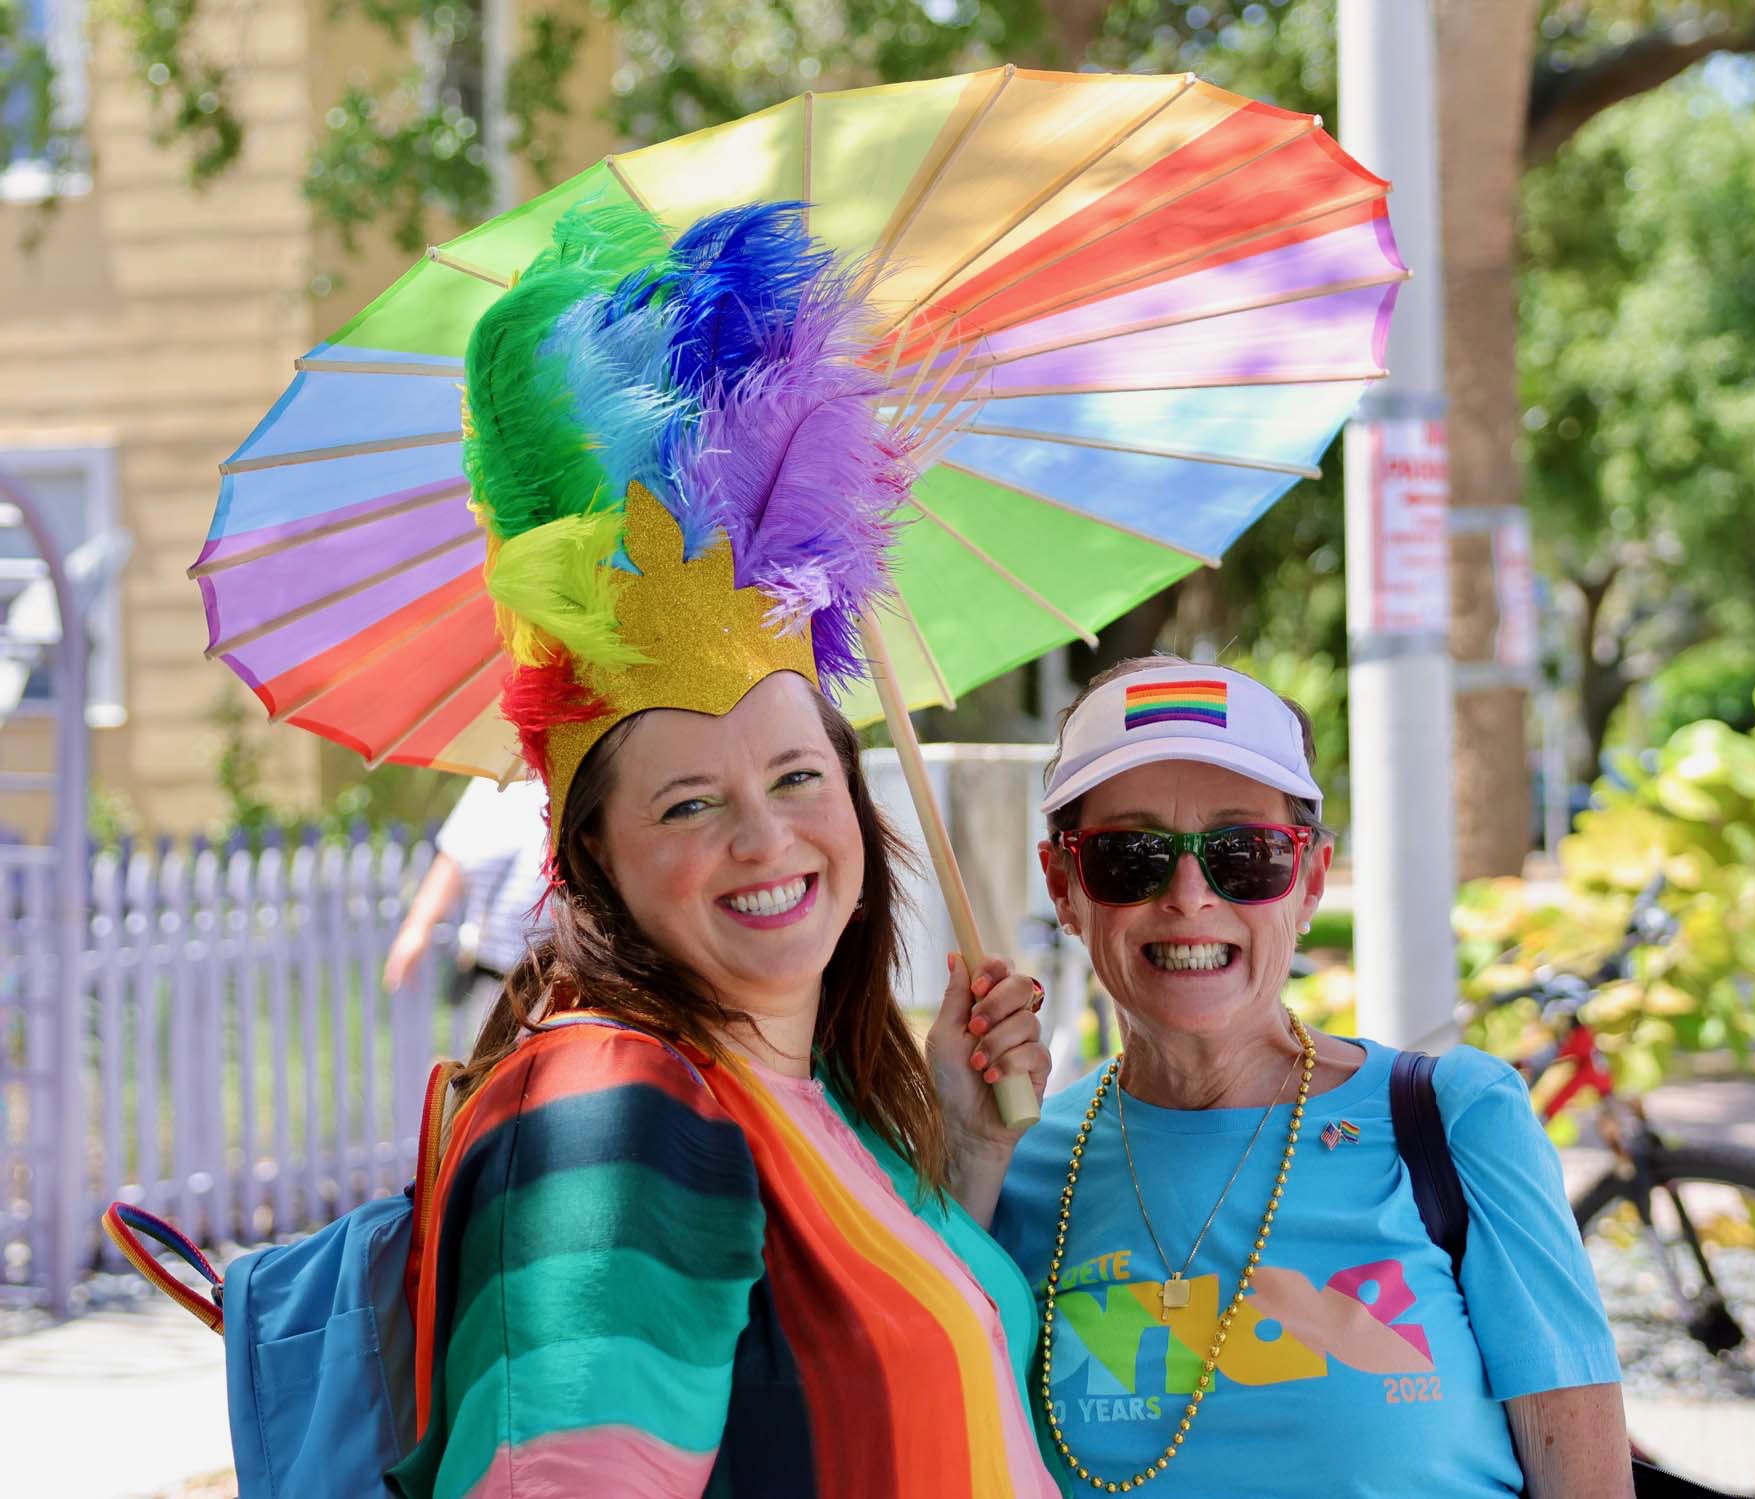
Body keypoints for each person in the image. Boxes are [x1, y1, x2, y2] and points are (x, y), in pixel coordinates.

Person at [387, 199, 1059, 1498]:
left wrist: (962, 1154)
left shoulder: (796, 1093)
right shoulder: (611, 1117)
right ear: (587, 860)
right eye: (689, 801)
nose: (767, 836)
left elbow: (843, 1397)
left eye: (799, 773)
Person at [993, 657, 1632, 1499]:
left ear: (1311, 879)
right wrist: (966, 1152)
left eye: (1245, 854)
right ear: (1064, 887)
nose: (1190, 895)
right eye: (1131, 856)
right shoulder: (1014, 1166)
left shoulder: (1452, 1122)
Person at [382, 774, 550, 1048]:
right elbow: (454, 857)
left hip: (562, 978)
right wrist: (417, 927)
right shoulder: (499, 777)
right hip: (497, 976)